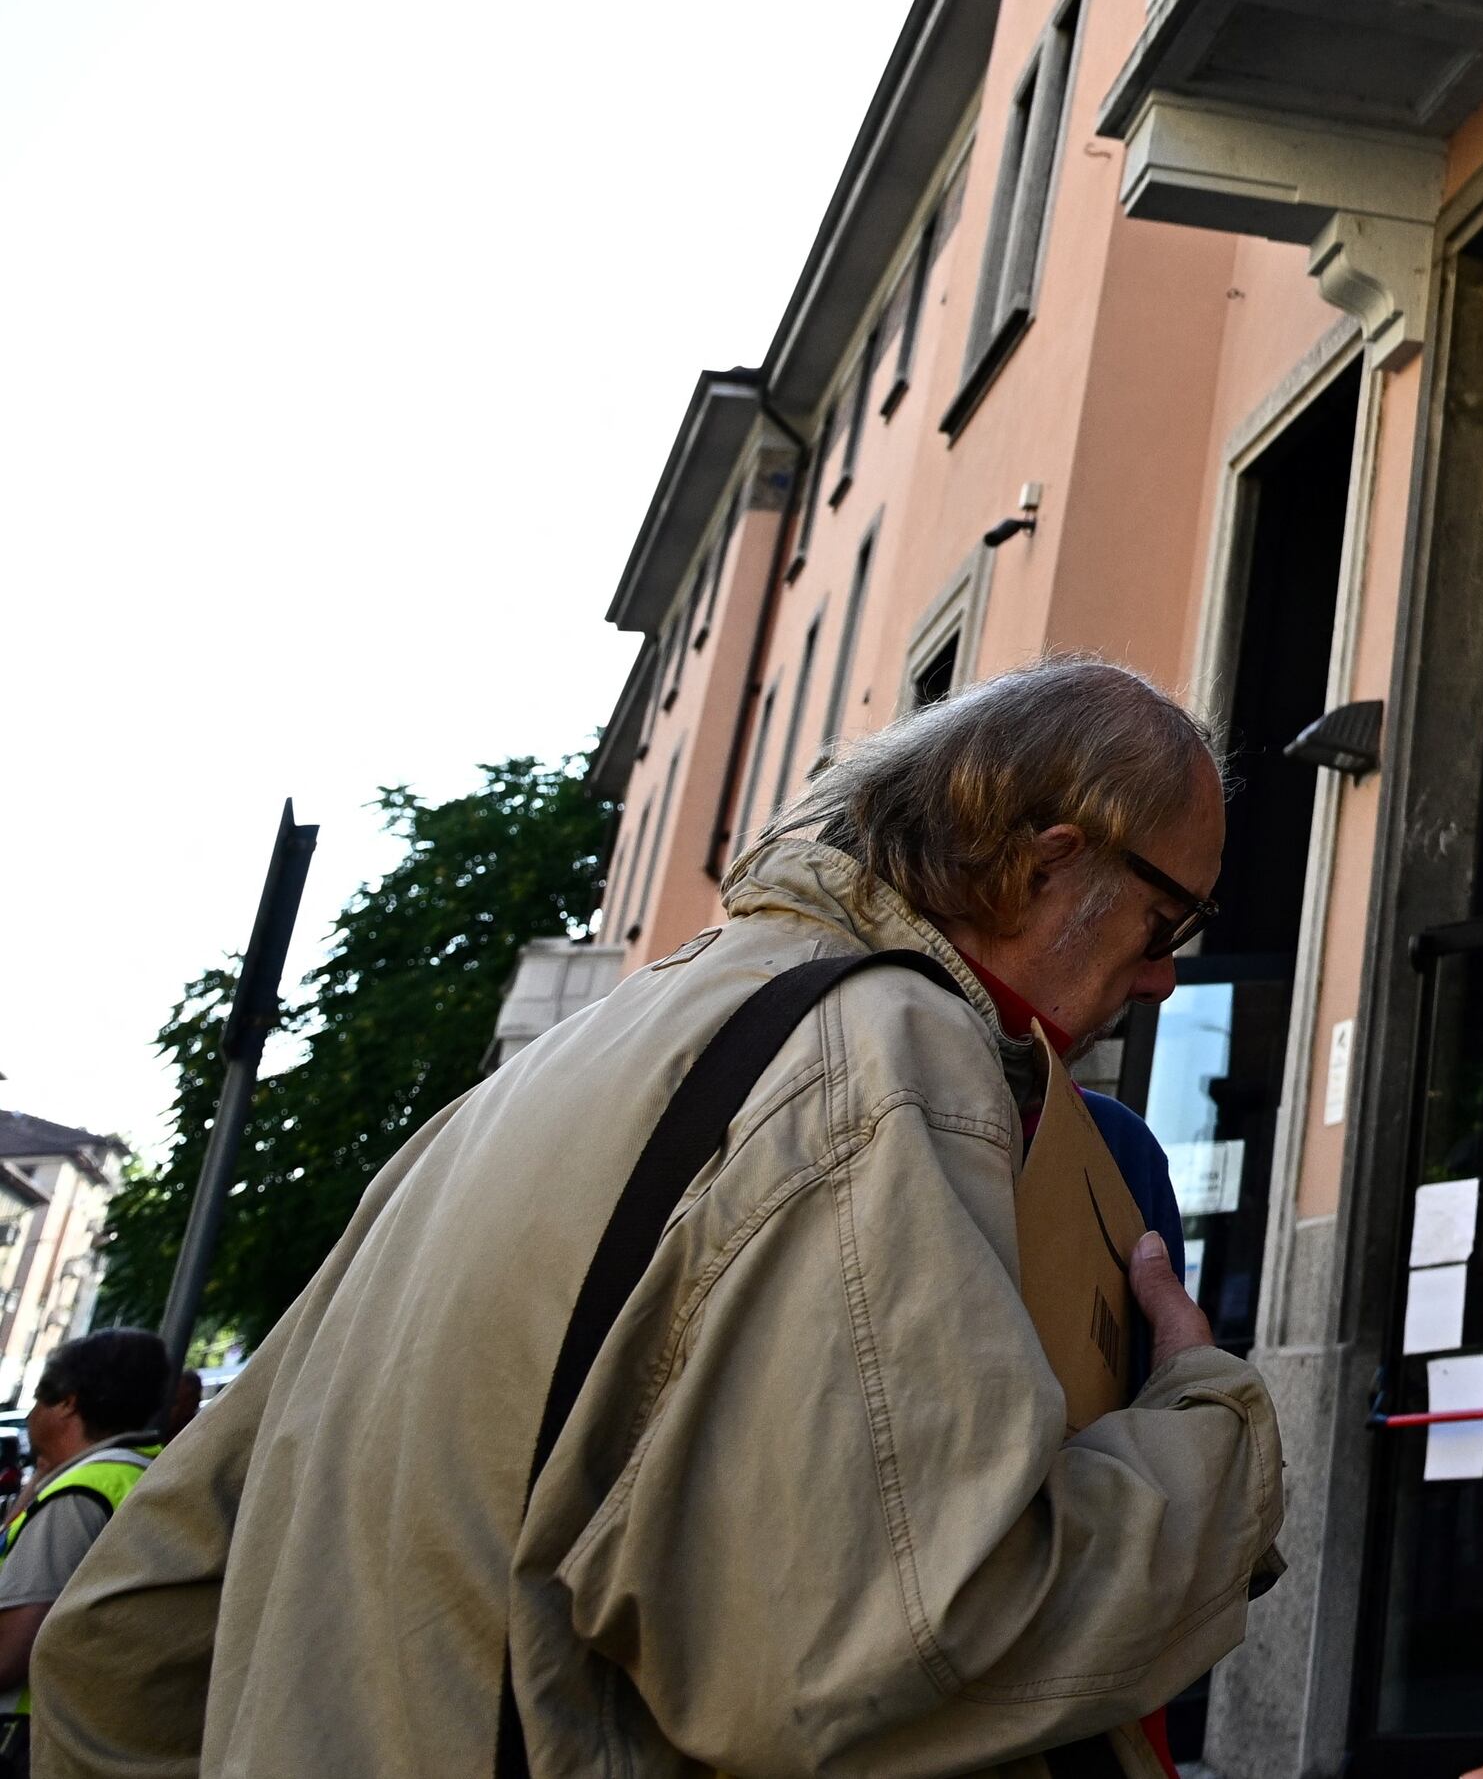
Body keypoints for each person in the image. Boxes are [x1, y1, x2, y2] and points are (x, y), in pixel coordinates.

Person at [34, 659, 1281, 1779]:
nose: (1165, 971)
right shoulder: (890, 1059)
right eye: (1167, 920)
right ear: (1049, 861)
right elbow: (881, 1647)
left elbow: (119, 1636)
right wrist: (1203, 1424)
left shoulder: (543, 1076)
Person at [0, 1332, 174, 1758]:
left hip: (28, 1733)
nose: (30, 1415)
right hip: (100, 1725)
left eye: (41, 1397)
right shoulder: (148, 1467)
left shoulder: (76, 1497)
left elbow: (9, 1655)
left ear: (67, 1403)